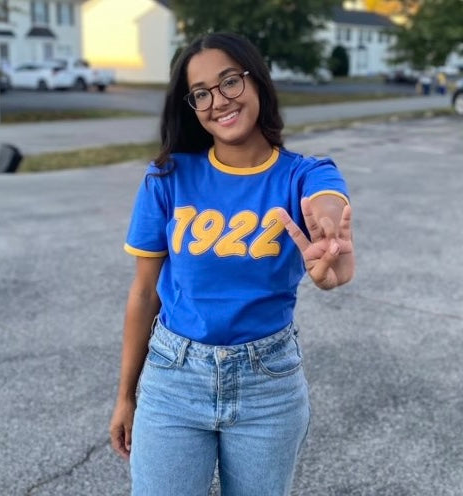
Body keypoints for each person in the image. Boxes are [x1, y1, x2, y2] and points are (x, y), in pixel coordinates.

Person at [109, 32, 354, 496]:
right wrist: (125, 396)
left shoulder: (304, 173)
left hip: (269, 385)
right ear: (191, 107)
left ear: (256, 80)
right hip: (173, 378)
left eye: (229, 82)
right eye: (201, 93)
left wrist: (329, 240)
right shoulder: (167, 177)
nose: (219, 100)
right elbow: (144, 293)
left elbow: (326, 201)